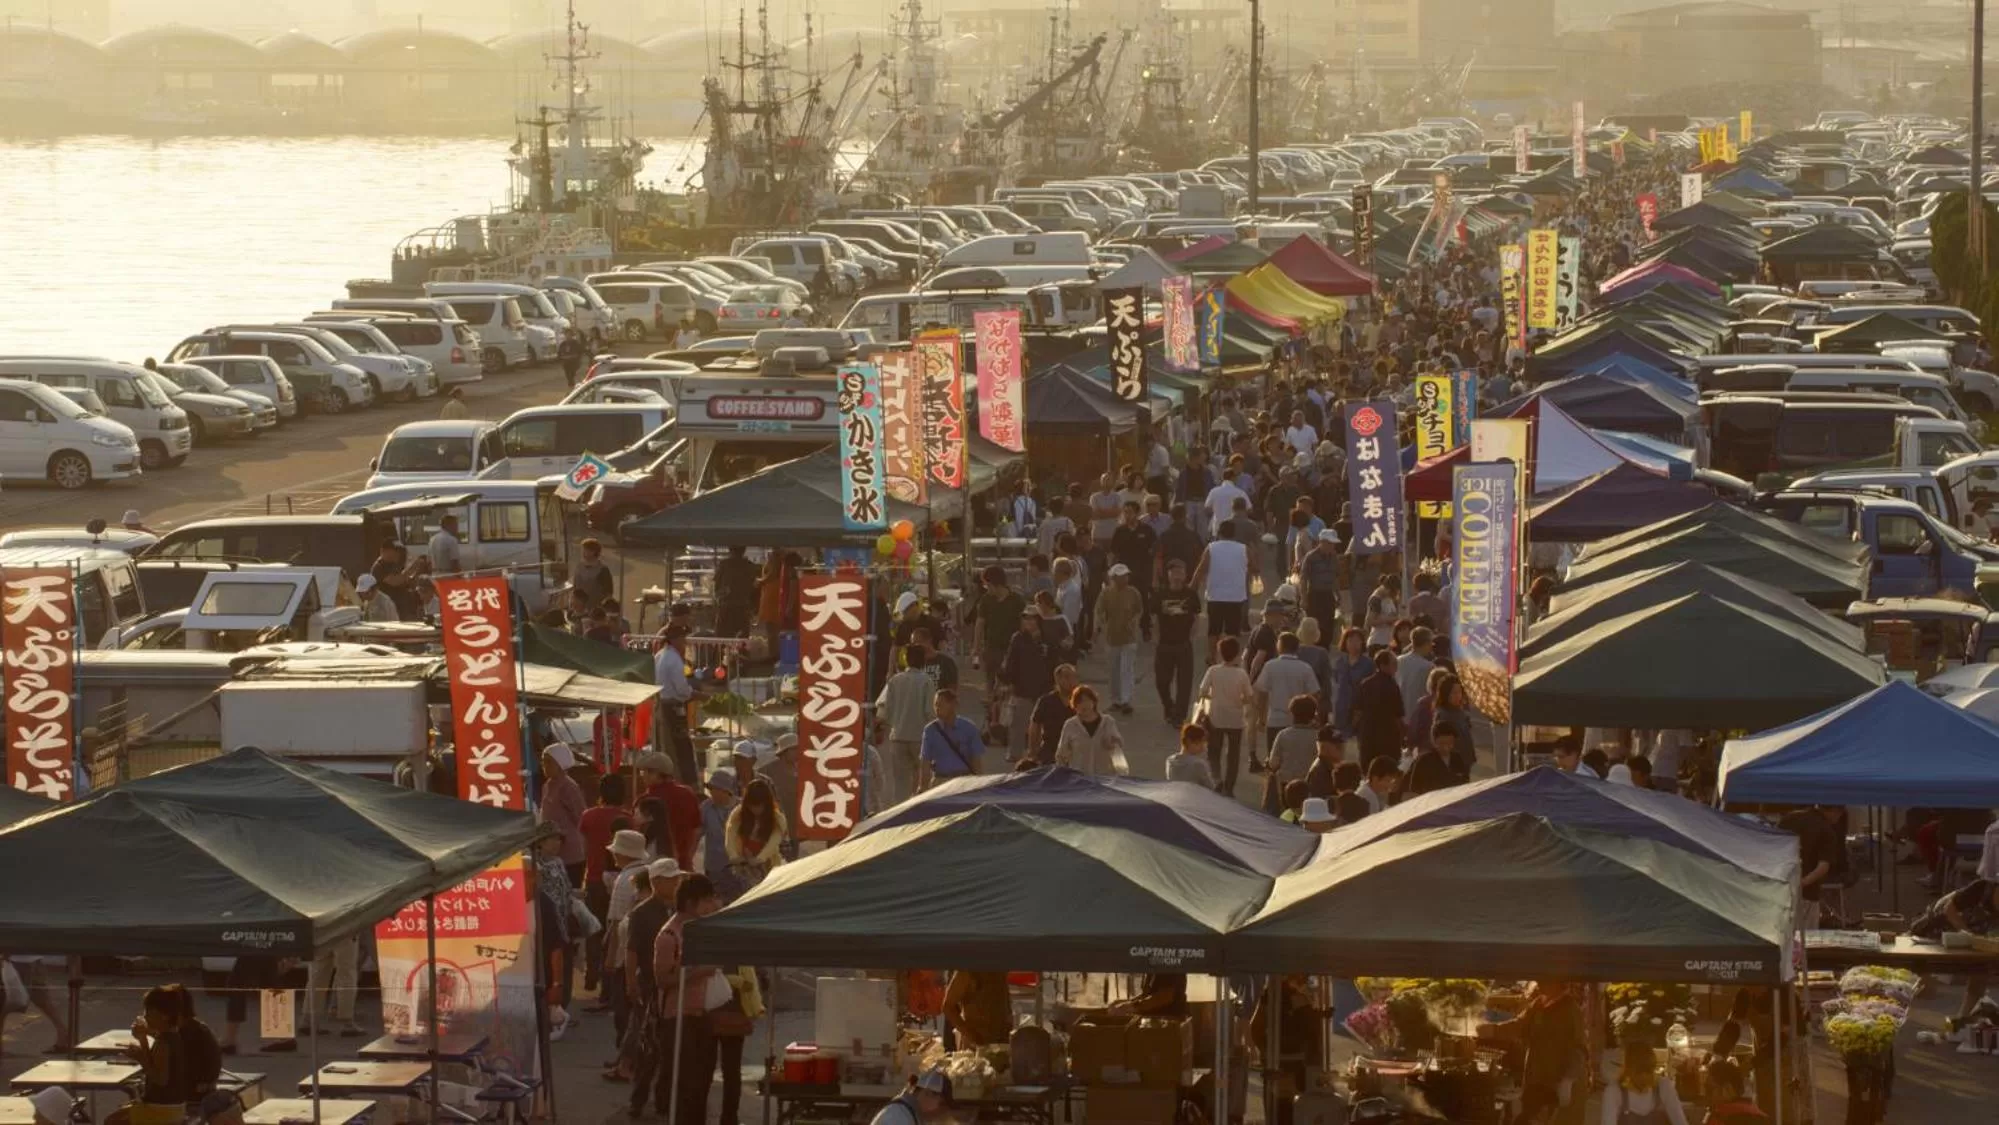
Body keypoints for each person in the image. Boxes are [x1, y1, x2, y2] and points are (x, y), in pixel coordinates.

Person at [649, 875, 723, 1125]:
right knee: (685, 1084)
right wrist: (700, 971)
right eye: (707, 900)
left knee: (702, 1082)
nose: (712, 905)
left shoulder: (701, 929)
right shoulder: (669, 935)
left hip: (702, 1015)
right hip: (678, 1018)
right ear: (691, 903)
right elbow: (662, 979)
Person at [110, 984, 223, 1125]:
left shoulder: (171, 1040)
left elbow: (160, 1078)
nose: (145, 1017)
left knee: (113, 1120)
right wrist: (143, 1040)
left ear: (165, 1015)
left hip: (176, 1103)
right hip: (174, 1102)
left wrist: (141, 1057)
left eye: (149, 1013)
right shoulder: (176, 1034)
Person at [1910, 877, 1999, 1034]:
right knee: (1925, 988)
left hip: (1976, 938)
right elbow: (1949, 909)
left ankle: (1961, 1020)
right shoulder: (1982, 888)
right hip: (1941, 926)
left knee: (1982, 968)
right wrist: (1967, 933)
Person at [875, 647, 937, 801]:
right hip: (920, 737)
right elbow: (930, 711)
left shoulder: (894, 680)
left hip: (898, 736)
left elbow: (885, 711)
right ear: (923, 661)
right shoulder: (926, 681)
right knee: (921, 776)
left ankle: (900, 810)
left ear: (906, 660)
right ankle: (917, 806)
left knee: (900, 780)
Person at [1197, 637, 1254, 793]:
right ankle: (1229, 786)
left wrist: (1213, 698)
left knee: (1214, 752)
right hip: (1236, 719)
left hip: (1216, 717)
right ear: (1237, 654)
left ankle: (1216, 779)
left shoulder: (1213, 671)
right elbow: (1249, 697)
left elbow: (1202, 692)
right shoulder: (1241, 674)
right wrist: (1239, 702)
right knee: (1233, 754)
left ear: (1220, 654)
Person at [1193, 519, 1252, 661]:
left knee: (1214, 629)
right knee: (1233, 630)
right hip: (1236, 595)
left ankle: (1211, 656)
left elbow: (1201, 570)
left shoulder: (1211, 548)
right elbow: (1254, 567)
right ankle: (1232, 658)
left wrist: (1191, 589)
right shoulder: (1244, 549)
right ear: (1234, 533)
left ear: (1219, 532)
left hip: (1215, 595)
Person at [653, 626, 702, 789]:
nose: (685, 643)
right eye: (683, 640)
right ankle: (688, 784)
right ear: (676, 640)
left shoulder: (659, 655)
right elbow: (682, 690)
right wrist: (696, 694)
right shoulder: (673, 659)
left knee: (666, 746)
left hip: (661, 704)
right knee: (682, 748)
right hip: (673, 706)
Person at [1153, 560, 1201, 724]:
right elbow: (1155, 618)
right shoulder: (1160, 594)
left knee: (1184, 683)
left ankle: (1179, 716)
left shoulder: (1191, 595)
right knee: (1161, 681)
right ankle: (1168, 706)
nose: (1177, 575)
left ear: (1186, 574)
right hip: (1165, 644)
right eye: (1174, 572)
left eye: (1180, 571)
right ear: (1168, 574)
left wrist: (1192, 636)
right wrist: (1156, 638)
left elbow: (1196, 617)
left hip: (1183, 644)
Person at [1001, 612, 1055, 754]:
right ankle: (1015, 756)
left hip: (1044, 690)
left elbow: (1055, 661)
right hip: (1022, 689)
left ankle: (1037, 755)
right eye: (1025, 619)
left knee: (1042, 727)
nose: (1028, 622)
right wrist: (1008, 681)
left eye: (1032, 619)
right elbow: (1011, 661)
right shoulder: (1018, 638)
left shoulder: (1047, 639)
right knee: (1018, 726)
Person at [1601, 1041, 1689, 1125]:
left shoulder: (1664, 1086)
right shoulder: (1614, 1091)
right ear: (1628, 1071)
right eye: (1639, 1072)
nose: (1644, 1077)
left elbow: (1680, 1121)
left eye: (1648, 1071)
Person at [539, 743, 588, 885]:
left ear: (560, 763)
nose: (544, 765)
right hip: (550, 851)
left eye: (548, 762)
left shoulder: (569, 787)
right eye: (543, 761)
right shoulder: (547, 785)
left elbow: (581, 817)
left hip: (570, 853)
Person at [1098, 564, 1144, 715]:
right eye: (1119, 577)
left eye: (1125, 576)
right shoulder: (1106, 594)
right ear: (1113, 578)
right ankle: (1115, 700)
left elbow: (1139, 610)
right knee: (1113, 671)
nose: (1123, 579)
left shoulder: (1133, 593)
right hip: (1112, 637)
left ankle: (1125, 700)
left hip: (1129, 638)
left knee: (1126, 669)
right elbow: (1099, 612)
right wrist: (1100, 627)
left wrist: (1134, 622)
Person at [725, 777, 785, 889]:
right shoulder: (738, 813)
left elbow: (774, 841)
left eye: (759, 806)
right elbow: (730, 834)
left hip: (769, 867)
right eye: (752, 806)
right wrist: (733, 856)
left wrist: (760, 859)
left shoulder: (777, 819)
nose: (755, 810)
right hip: (744, 866)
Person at [1778, 804, 1842, 909]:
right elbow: (1823, 867)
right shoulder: (1827, 831)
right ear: (1835, 810)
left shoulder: (1789, 818)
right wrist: (1801, 884)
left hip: (1780, 890)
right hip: (1807, 894)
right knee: (1807, 925)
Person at [920, 688, 986, 786]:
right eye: (935, 705)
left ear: (953, 705)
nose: (937, 708)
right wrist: (922, 787)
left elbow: (976, 761)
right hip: (940, 781)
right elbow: (925, 763)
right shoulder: (930, 730)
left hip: (963, 781)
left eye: (941, 705)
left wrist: (979, 786)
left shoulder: (969, 728)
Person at [1056, 684, 1126, 775]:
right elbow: (1061, 754)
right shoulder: (1070, 725)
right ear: (1074, 705)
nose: (1083, 705)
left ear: (1094, 702)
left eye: (1087, 700)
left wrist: (1112, 744)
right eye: (1079, 702)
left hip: (1105, 778)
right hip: (1079, 779)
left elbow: (1119, 743)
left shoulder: (1108, 722)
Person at [941, 971, 1012, 1049]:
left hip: (1002, 1042)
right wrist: (972, 1036)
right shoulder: (966, 972)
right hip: (977, 1047)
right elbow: (948, 1007)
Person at [1027, 664, 1079, 767]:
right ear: (1058, 679)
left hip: (1075, 752)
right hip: (1050, 751)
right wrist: (1033, 751)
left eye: (1074, 677)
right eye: (1067, 677)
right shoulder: (1046, 701)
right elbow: (1035, 726)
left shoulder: (1081, 701)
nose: (1071, 681)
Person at [869, 1070, 953, 1125]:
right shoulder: (897, 1116)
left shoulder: (909, 1113)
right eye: (940, 1104)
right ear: (927, 1093)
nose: (942, 1112)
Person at [1700, 1060, 1768, 1125]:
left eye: (1709, 1089)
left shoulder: (1718, 1119)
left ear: (1727, 1089)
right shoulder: (1763, 1118)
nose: (1706, 1095)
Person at [714, 546, 759, 637]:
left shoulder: (724, 564)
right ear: (744, 550)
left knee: (722, 640)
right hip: (743, 607)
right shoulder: (749, 566)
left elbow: (716, 587)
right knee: (742, 641)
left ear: (730, 550)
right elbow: (754, 589)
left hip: (726, 607)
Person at [1395, 626, 1437, 722]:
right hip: (1418, 715)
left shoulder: (1398, 660)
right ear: (1426, 643)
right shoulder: (1429, 667)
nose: (1432, 646)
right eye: (1431, 642)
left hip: (1399, 714)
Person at [1403, 723, 1457, 797]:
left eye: (1450, 743)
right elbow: (1413, 790)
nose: (1446, 747)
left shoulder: (1457, 759)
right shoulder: (1423, 761)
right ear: (1434, 741)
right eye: (1442, 743)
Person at [1165, 723, 1217, 787]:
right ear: (1189, 742)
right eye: (1201, 743)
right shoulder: (1198, 764)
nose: (1203, 747)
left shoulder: (1170, 760)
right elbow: (1210, 787)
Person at [1304, 725, 1345, 799]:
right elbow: (1320, 803)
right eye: (1337, 745)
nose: (1342, 748)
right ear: (1323, 746)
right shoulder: (1319, 772)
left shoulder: (1329, 767)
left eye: (1341, 744)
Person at [1364, 574, 1402, 649]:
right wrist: (1389, 619)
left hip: (1390, 641)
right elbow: (1370, 621)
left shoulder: (1389, 599)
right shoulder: (1376, 600)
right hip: (1378, 643)